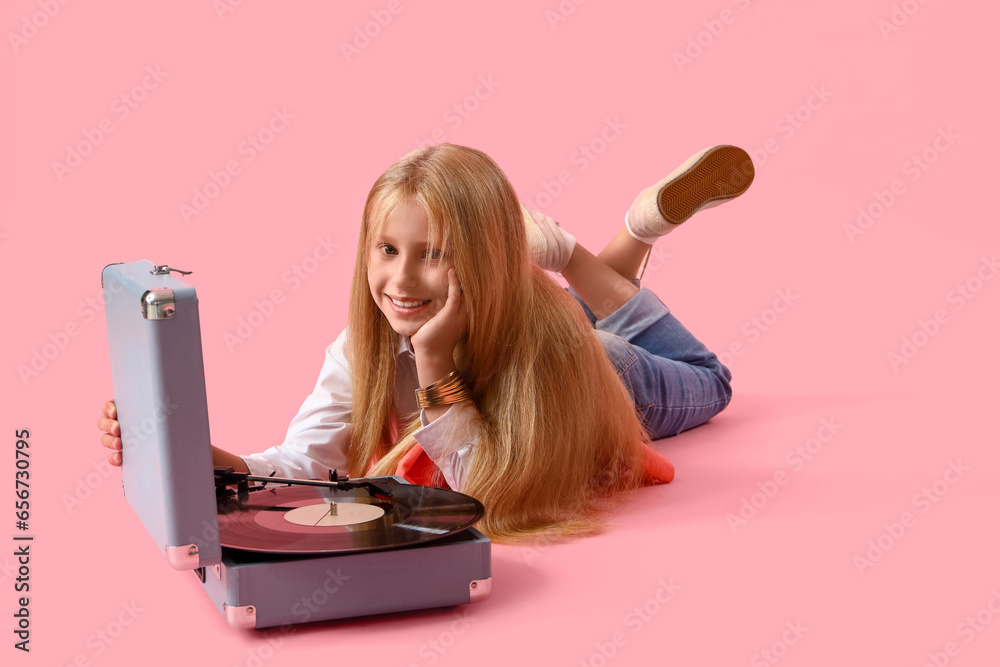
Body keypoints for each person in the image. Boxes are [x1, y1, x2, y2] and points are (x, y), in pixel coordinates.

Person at [98, 143, 753, 542]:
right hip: (508, 307)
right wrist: (203, 457)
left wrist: (436, 364)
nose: (400, 281)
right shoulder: (364, 347)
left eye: (431, 255)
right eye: (387, 250)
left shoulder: (570, 358)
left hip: (590, 367)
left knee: (706, 378)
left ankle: (600, 241)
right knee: (556, 308)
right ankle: (584, 244)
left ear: (478, 260)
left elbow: (478, 494)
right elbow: (305, 459)